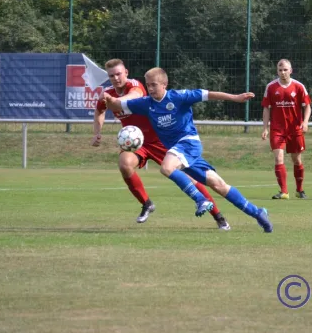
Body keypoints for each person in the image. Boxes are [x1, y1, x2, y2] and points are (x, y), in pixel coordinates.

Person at [102, 67, 273, 233]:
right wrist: (109, 101)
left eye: (154, 84)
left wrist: (235, 98)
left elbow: (208, 94)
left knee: (166, 167)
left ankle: (200, 200)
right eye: (148, 85)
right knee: (218, 184)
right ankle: (257, 212)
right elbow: (118, 105)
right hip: (179, 151)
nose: (150, 89)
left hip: (188, 143)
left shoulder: (179, 97)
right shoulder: (146, 104)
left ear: (164, 84)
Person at [92, 59, 230, 230]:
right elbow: (99, 111)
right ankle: (146, 203)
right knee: (124, 164)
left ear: (126, 73)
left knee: (190, 179)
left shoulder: (134, 85)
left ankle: (218, 216)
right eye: (111, 75)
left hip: (161, 140)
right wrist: (97, 132)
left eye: (119, 74)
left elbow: (134, 96)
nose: (116, 78)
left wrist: (114, 101)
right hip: (136, 143)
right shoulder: (107, 93)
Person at [261, 59, 312, 200]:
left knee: (296, 160)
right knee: (278, 158)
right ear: (277, 71)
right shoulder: (271, 87)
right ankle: (284, 191)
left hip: (295, 129)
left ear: (291, 70)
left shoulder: (299, 86)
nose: (282, 72)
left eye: (285, 70)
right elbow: (266, 109)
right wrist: (265, 128)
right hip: (277, 129)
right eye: (280, 70)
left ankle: (300, 190)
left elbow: (307, 106)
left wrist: (305, 122)